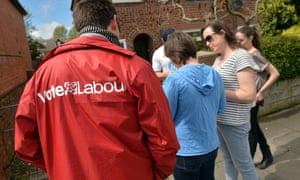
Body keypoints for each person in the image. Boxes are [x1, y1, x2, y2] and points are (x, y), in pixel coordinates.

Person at [14, 0, 179, 179]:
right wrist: (154, 173)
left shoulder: (43, 75)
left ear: (79, 26)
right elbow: (163, 138)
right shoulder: (135, 68)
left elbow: (24, 142)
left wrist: (61, 167)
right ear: (114, 22)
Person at [163, 31, 226, 180]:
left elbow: (166, 116)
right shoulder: (215, 74)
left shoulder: (174, 80)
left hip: (186, 150)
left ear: (177, 56)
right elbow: (220, 107)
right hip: (210, 145)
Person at [201, 20, 259, 180]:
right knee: (228, 160)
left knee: (244, 164)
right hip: (220, 120)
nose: (207, 44)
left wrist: (217, 91)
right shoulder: (218, 59)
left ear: (222, 33)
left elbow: (249, 95)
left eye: (209, 38)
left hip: (235, 122)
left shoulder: (241, 56)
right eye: (204, 40)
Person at [236, 26, 280, 169]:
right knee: (254, 127)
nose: (238, 42)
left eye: (241, 40)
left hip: (253, 99)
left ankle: (247, 164)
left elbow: (274, 73)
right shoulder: (245, 53)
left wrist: (260, 91)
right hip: (248, 98)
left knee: (251, 130)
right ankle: (267, 155)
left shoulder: (254, 54)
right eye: (237, 40)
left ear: (251, 38)